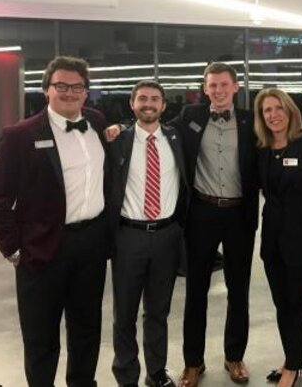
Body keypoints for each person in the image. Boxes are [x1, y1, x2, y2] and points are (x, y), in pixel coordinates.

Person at [0, 56, 110, 386]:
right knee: (41, 337)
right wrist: (12, 248)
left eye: (77, 86)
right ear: (47, 89)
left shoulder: (97, 122)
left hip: (91, 245)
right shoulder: (19, 135)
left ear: (86, 92)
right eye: (61, 85)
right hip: (41, 248)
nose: (69, 92)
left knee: (87, 330)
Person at [172, 62, 259, 386]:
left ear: (235, 87)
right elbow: (155, 131)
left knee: (239, 290)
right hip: (202, 214)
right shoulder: (189, 117)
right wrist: (117, 131)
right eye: (213, 85)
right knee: (196, 290)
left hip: (239, 215)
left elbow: (281, 137)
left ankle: (234, 357)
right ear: (205, 88)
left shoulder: (252, 120)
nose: (219, 91)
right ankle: (193, 363)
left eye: (224, 85)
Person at [108, 80, 189, 387]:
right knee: (125, 315)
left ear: (164, 106)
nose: (148, 103)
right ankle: (126, 377)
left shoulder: (175, 137)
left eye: (155, 99)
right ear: (132, 104)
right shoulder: (118, 139)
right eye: (142, 98)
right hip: (129, 237)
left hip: (168, 236)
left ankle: (156, 373)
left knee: (158, 312)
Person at [252, 88, 302, 387]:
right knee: (282, 303)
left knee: (298, 303)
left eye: (278, 108)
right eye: (267, 110)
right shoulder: (262, 148)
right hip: (272, 239)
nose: (273, 115)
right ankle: (291, 358)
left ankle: (293, 365)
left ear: (290, 110)